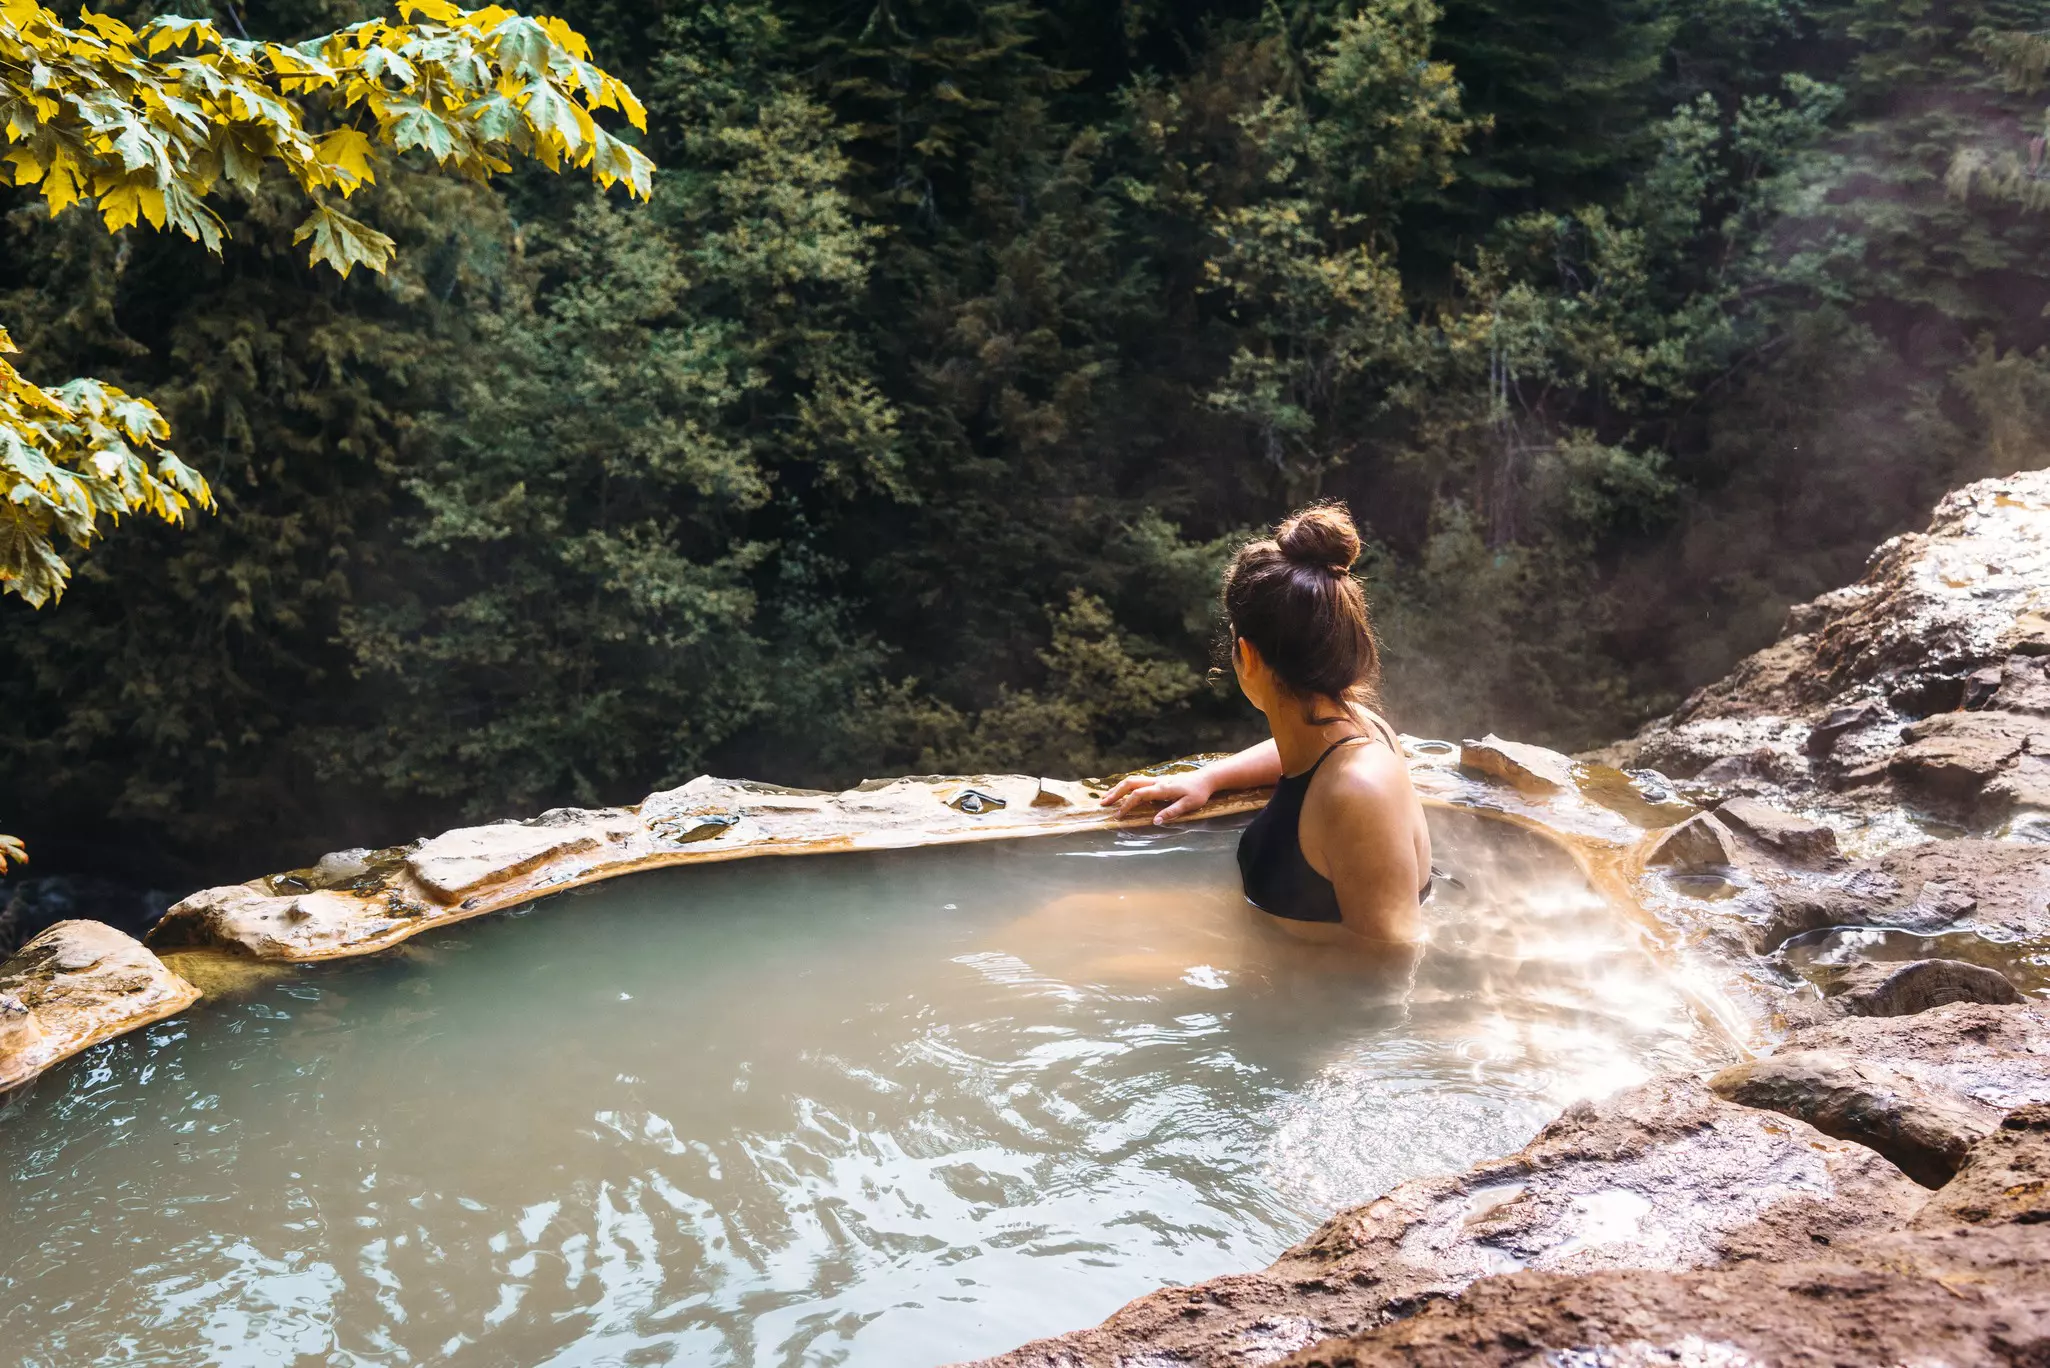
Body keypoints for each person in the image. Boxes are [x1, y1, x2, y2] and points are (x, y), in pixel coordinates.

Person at [1101, 502, 1432, 946]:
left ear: (1248, 654)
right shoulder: (1352, 728)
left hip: (1308, 1000)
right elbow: (1299, 757)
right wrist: (1210, 777)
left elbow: (1392, 959)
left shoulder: (1359, 793)